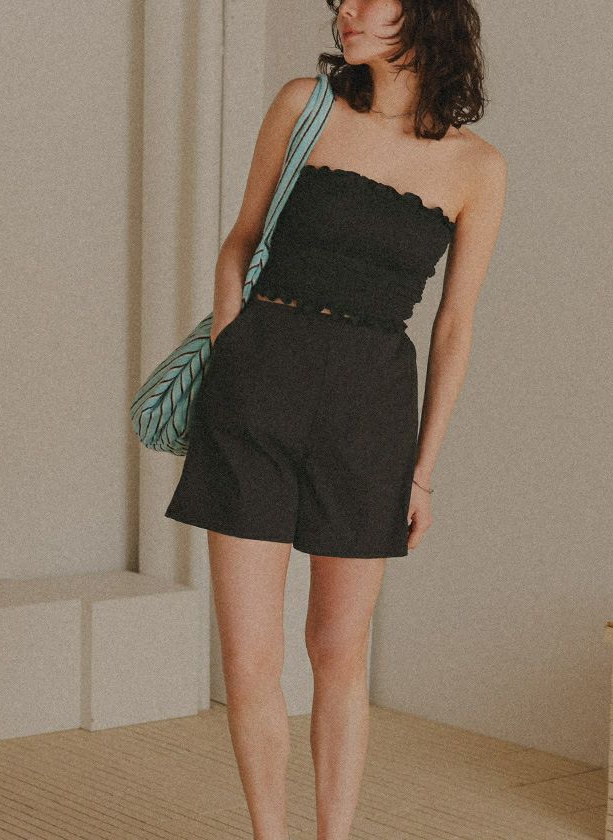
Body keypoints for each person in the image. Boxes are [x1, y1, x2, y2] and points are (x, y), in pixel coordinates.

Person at [165, 1, 507, 837]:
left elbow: (454, 327)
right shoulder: (303, 105)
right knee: (251, 658)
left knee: (337, 650)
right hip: (256, 393)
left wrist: (424, 472)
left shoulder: (477, 167)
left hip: (369, 412)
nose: (344, 10)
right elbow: (241, 241)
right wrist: (235, 349)